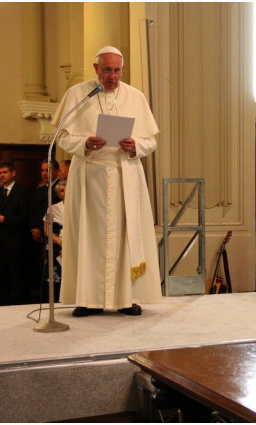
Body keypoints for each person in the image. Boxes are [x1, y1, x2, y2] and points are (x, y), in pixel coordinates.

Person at [52, 45, 161, 317]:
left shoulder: (136, 97)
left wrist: (135, 144)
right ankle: (88, 299)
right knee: (88, 235)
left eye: (116, 70)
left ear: (122, 70)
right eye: (106, 70)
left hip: (126, 174)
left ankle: (126, 298)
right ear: (96, 69)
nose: (111, 76)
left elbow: (151, 141)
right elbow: (63, 137)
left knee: (126, 236)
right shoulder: (78, 94)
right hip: (90, 176)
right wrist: (84, 142)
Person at [0, 162, 32, 305]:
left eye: (5, 172)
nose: (2, 175)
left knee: (17, 276)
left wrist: (5, 219)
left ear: (13, 173)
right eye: (0, 173)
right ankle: (1, 304)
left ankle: (22, 305)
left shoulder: (21, 192)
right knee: (0, 276)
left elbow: (26, 217)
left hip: (15, 243)